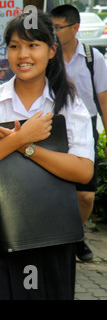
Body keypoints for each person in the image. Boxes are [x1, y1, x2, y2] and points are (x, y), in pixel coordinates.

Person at [0, 11, 94, 299]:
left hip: (52, 236)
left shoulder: (67, 104)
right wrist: (20, 137)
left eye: (33, 45)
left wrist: (25, 147)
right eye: (15, 46)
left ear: (52, 50)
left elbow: (83, 171)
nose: (23, 54)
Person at [49, 4, 107, 262]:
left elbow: (104, 101)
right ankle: (60, 238)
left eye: (58, 27)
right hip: (52, 129)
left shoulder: (93, 58)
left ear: (75, 28)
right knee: (55, 189)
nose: (54, 32)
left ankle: (76, 234)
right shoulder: (48, 56)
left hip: (84, 130)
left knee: (85, 194)